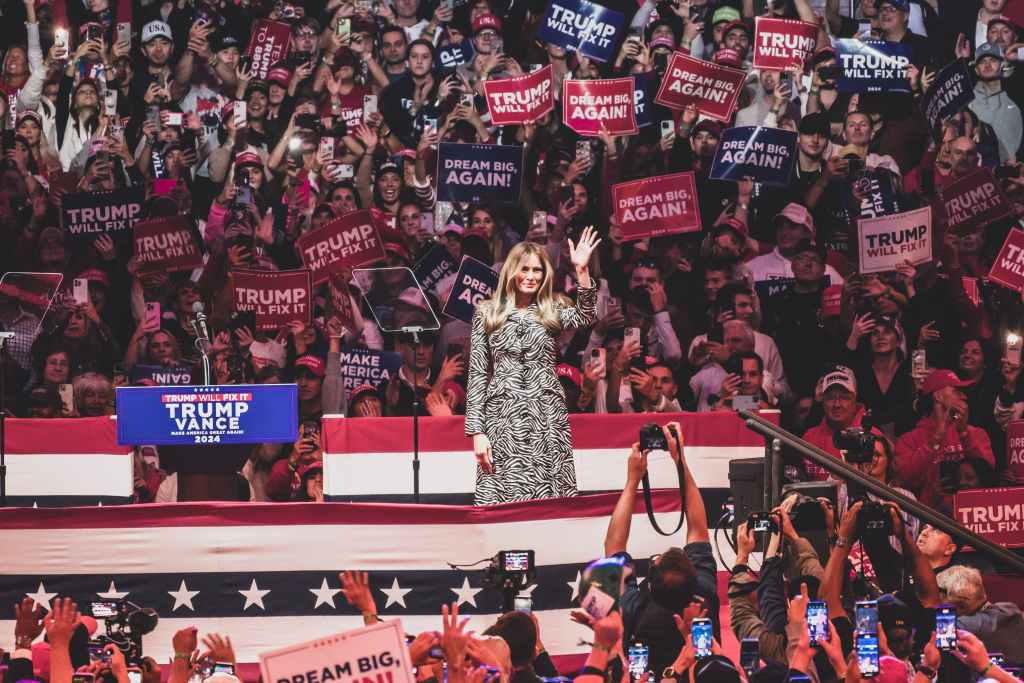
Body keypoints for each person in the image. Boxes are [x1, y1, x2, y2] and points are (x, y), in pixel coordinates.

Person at [466, 231, 600, 505]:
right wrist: (477, 432)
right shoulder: (487, 312)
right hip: (502, 417)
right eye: (524, 269)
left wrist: (582, 269)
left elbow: (587, 316)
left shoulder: (554, 307)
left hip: (546, 415)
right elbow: (478, 374)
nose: (531, 276)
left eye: (537, 270)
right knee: (504, 498)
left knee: (550, 498)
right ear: (511, 271)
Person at [603, 421, 718, 677]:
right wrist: (680, 461)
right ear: (695, 579)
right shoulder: (705, 598)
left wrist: (633, 479)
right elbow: (698, 528)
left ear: (650, 587)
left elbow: (613, 545)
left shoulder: (634, 609)